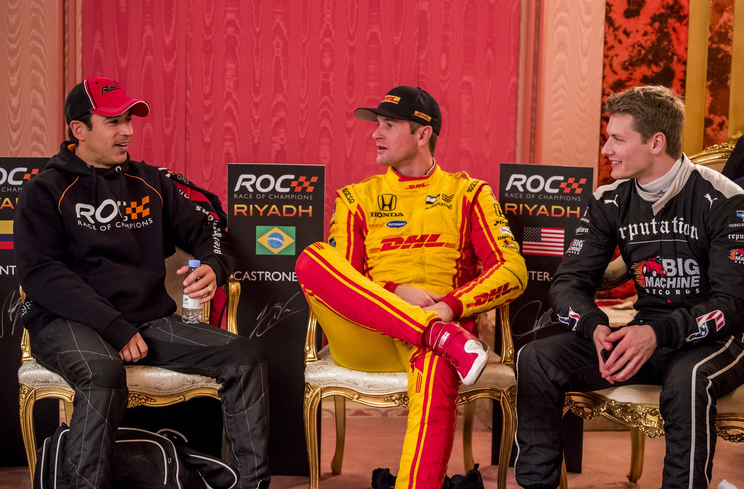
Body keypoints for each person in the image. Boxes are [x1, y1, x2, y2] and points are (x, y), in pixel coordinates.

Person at [14, 77, 270, 489]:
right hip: (65, 321)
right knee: (102, 371)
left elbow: (206, 227)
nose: (128, 130)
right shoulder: (45, 190)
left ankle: (252, 485)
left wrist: (214, 265)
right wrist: (113, 326)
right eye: (113, 121)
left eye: (129, 120)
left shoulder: (149, 182)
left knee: (245, 355)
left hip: (145, 320)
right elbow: (43, 274)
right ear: (79, 130)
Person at [514, 85, 744, 489]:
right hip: (641, 332)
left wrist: (657, 333)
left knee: (689, 380)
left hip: (714, 342)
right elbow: (569, 281)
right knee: (536, 358)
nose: (607, 149)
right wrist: (594, 325)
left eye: (617, 139)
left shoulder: (728, 201)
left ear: (656, 142)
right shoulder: (609, 199)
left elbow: (734, 306)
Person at [295, 85, 527, 488]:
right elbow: (343, 281)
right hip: (369, 335)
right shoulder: (357, 197)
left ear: (422, 133)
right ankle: (439, 337)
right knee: (312, 257)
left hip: (436, 336)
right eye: (376, 124)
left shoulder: (469, 193)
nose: (375, 134)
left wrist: (449, 307)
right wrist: (395, 291)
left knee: (438, 361)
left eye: (389, 124)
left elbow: (513, 270)